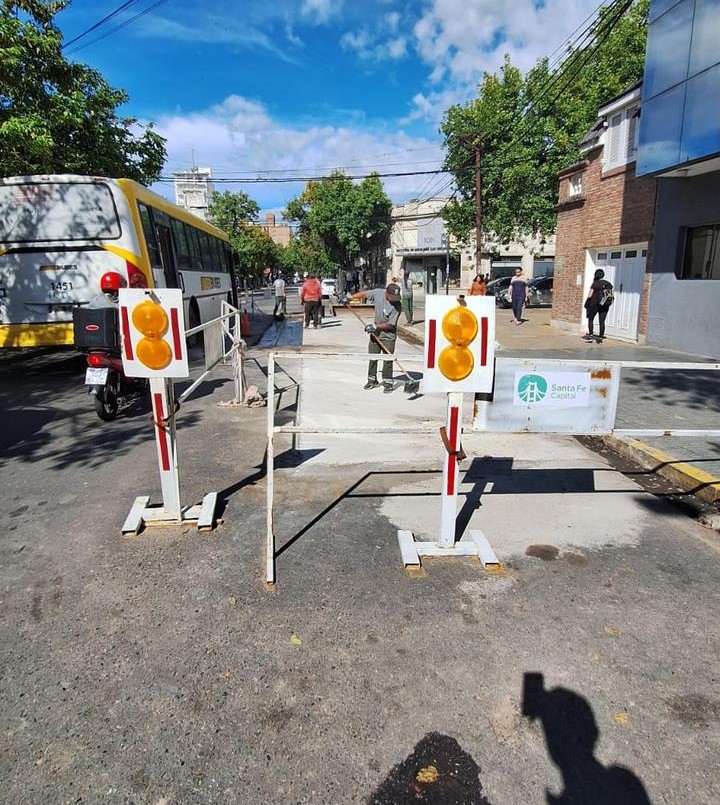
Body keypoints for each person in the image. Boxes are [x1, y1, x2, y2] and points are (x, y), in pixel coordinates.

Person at [350, 283, 401, 393]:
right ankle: (372, 380)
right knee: (372, 357)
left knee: (388, 360)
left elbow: (391, 324)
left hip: (388, 336)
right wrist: (350, 297)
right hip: (375, 334)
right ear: (386, 293)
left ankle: (388, 383)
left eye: (396, 298)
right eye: (392, 297)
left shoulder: (397, 306)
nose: (394, 300)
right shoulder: (378, 293)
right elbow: (364, 294)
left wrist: (375, 326)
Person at [583, 268, 612, 343]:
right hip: (604, 304)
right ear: (603, 275)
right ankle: (600, 338)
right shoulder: (608, 283)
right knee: (602, 321)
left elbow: (590, 295)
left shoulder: (595, 283)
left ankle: (591, 336)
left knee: (591, 319)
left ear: (596, 275)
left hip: (594, 304)